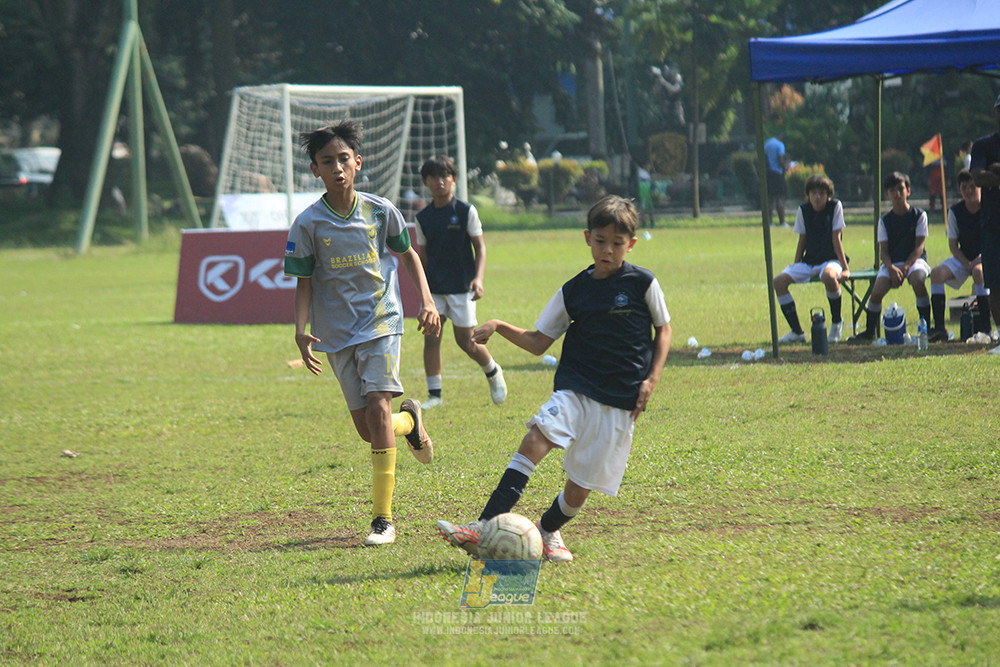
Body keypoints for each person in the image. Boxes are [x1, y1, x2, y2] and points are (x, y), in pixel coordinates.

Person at [435, 195, 671, 563]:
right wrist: (497, 326)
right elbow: (537, 341)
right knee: (535, 439)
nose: (607, 250)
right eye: (600, 241)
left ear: (632, 244)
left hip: (621, 399)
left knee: (579, 489)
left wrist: (651, 380)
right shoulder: (574, 290)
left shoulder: (643, 284)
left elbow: (664, 330)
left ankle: (547, 531)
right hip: (576, 388)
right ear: (586, 238)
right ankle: (483, 526)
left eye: (617, 243)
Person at [283, 120, 442, 547]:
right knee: (370, 429)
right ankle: (412, 421)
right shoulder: (308, 224)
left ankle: (383, 520)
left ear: (357, 162)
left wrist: (426, 301)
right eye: (326, 162)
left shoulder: (379, 209)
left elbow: (407, 255)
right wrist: (300, 331)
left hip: (381, 321)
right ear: (315, 170)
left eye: (342, 159)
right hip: (334, 333)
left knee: (377, 405)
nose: (337, 168)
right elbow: (304, 282)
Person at [414, 155, 507, 410]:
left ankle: (492, 371)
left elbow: (480, 247)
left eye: (445, 176)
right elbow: (422, 257)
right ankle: (435, 395)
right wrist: (424, 293)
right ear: (426, 182)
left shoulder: (466, 211)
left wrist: (478, 278)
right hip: (435, 289)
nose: (440, 182)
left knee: (466, 342)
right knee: (431, 338)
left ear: (453, 179)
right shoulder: (422, 218)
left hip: (461, 286)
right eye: (433, 177)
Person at [851, 172, 931, 341]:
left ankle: (927, 328)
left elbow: (919, 247)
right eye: (892, 190)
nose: (897, 194)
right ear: (886, 194)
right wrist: (891, 268)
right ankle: (869, 332)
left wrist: (905, 267)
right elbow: (884, 252)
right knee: (877, 290)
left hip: (915, 261)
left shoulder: (919, 215)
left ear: (908, 191)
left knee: (918, 280)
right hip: (892, 263)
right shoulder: (885, 220)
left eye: (901, 189)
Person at [774, 174, 851, 344]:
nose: (818, 197)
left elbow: (836, 238)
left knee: (829, 277)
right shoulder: (803, 210)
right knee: (779, 281)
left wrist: (845, 268)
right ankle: (797, 332)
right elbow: (802, 239)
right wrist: (795, 264)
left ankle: (837, 322)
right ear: (808, 195)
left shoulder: (835, 207)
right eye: (814, 193)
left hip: (831, 260)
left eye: (822, 193)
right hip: (810, 261)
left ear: (828, 195)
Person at [928, 169, 991, 342]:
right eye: (965, 187)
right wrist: (966, 262)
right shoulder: (955, 211)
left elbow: (993, 239)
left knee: (979, 272)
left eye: (973, 186)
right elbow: (953, 245)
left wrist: (978, 260)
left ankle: (986, 328)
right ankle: (940, 329)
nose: (969, 191)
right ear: (959, 189)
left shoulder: (989, 207)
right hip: (964, 257)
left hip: (986, 256)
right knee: (936, 273)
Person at [971, 93, 1000, 353]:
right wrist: (992, 173)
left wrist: (996, 170)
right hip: (994, 224)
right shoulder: (983, 145)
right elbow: (978, 177)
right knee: (995, 282)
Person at [764, 135, 788, 227]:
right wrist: (786, 166)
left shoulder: (767, 143)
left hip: (768, 173)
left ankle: (770, 222)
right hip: (777, 173)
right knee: (779, 198)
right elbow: (780, 160)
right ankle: (782, 221)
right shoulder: (780, 145)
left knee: (770, 199)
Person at [637, 163, 655, 228]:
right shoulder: (641, 172)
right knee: (643, 209)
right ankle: (644, 223)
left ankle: (652, 223)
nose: (649, 167)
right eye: (648, 166)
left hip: (648, 195)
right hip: (644, 195)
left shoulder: (647, 174)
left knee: (650, 209)